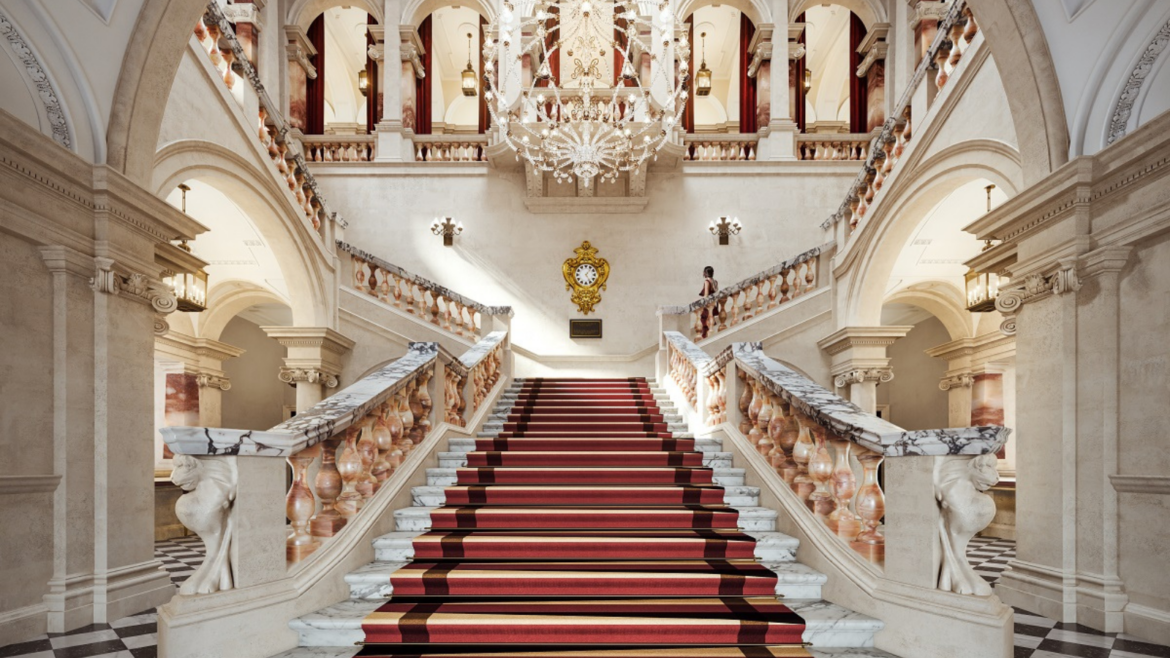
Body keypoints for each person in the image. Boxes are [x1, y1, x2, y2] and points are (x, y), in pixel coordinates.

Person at [699, 266, 719, 339]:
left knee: (704, 320)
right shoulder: (715, 282)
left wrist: (702, 304)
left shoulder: (707, 282)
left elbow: (706, 294)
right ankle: (709, 335)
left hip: (708, 304)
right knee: (710, 318)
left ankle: (706, 336)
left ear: (705, 273)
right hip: (713, 303)